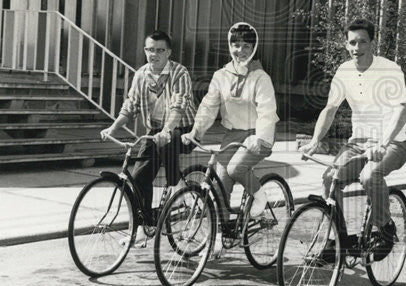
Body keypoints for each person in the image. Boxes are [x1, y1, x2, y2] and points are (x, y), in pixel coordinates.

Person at [300, 18, 406, 262]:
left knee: (370, 176)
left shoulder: (390, 69)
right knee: (330, 178)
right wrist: (315, 140)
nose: (356, 47)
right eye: (352, 42)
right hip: (359, 141)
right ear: (346, 44)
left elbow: (401, 111)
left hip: (393, 143)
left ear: (372, 43)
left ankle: (385, 228)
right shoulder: (344, 71)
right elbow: (330, 109)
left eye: (362, 41)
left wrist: (383, 143)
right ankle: (338, 240)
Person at [181, 22, 278, 257]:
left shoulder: (260, 77)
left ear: (254, 48)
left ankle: (260, 195)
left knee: (235, 168)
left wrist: (261, 136)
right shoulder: (221, 75)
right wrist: (196, 132)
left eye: (246, 46)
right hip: (233, 135)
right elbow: (208, 106)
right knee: (219, 185)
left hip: (258, 135)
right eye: (236, 45)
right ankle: (223, 236)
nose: (240, 50)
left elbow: (267, 111)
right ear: (229, 45)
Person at [99, 31, 196, 230]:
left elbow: (179, 105)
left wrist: (167, 130)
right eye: (150, 50)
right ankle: (146, 225)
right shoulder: (141, 75)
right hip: (155, 129)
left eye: (160, 50)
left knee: (167, 141)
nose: (154, 54)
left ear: (169, 52)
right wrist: (113, 128)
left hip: (184, 128)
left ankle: (176, 187)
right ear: (145, 51)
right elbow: (131, 105)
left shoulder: (180, 72)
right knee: (138, 179)